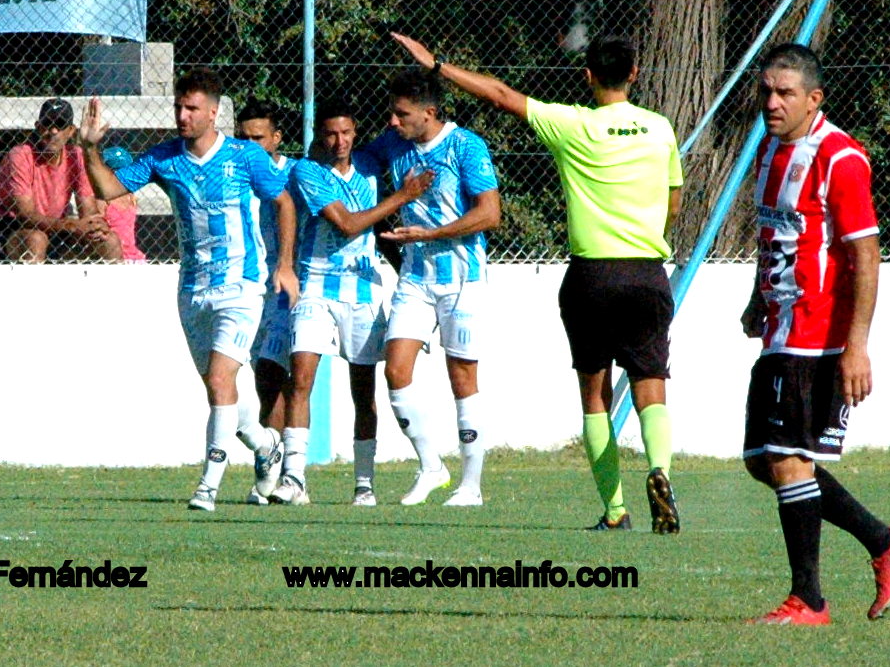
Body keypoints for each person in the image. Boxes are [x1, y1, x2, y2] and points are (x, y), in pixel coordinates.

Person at [393, 32, 683, 533]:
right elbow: (674, 201)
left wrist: (439, 64)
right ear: (634, 74)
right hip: (645, 272)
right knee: (650, 386)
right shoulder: (660, 130)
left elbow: (502, 96)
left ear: (587, 75)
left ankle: (616, 512)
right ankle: (659, 468)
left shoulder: (573, 123)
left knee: (594, 395)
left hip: (592, 274)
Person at [738, 43, 890, 624]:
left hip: (818, 336)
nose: (772, 101)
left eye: (785, 92)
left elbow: (866, 256)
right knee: (761, 460)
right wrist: (755, 298)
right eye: (766, 90)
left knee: (789, 460)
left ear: (814, 98)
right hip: (780, 328)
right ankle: (886, 541)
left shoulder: (840, 157)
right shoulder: (769, 150)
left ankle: (809, 600)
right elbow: (776, 236)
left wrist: (857, 345)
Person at [79, 68, 298, 512]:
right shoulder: (166, 158)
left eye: (192, 108)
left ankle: (208, 487)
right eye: (179, 106)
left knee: (221, 380)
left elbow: (284, 201)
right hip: (193, 291)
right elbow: (108, 187)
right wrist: (88, 147)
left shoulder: (244, 156)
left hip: (241, 287)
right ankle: (264, 445)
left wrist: (285, 265)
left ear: (213, 113)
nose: (182, 115)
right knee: (219, 391)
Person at [269, 102, 433, 506]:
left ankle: (364, 483)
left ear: (355, 132)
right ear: (318, 135)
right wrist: (402, 197)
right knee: (301, 379)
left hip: (363, 292)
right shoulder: (307, 171)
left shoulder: (369, 162)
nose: (338, 142)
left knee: (364, 391)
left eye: (345, 133)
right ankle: (293, 479)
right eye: (330, 134)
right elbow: (346, 224)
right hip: (316, 289)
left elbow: (409, 127)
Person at [358, 68, 500, 506]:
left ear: (430, 113)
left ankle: (471, 487)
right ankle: (431, 466)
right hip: (416, 280)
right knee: (395, 369)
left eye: (402, 115)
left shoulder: (465, 146)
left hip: (462, 279)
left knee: (462, 377)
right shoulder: (393, 144)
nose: (393, 123)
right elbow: (350, 157)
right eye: (392, 114)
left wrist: (428, 235)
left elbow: (489, 214)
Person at [234, 101, 296, 503]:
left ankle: (292, 474)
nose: (249, 146)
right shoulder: (232, 171)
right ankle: (273, 466)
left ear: (276, 138)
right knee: (264, 382)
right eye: (243, 138)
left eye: (258, 138)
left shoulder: (292, 174)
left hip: (288, 286)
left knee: (285, 378)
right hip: (248, 287)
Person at [0, 98, 121, 263]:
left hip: (54, 229)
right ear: (38, 128)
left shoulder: (76, 156)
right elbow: (25, 215)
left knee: (109, 241)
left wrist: (95, 226)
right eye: (47, 124)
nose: (53, 131)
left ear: (70, 131)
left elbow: (88, 210)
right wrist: (73, 226)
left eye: (60, 125)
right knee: (36, 240)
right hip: (8, 228)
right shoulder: (20, 155)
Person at [100, 146, 146, 262]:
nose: (120, 175)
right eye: (115, 170)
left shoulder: (130, 196)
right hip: (113, 255)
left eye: (124, 170)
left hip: (133, 254)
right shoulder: (104, 198)